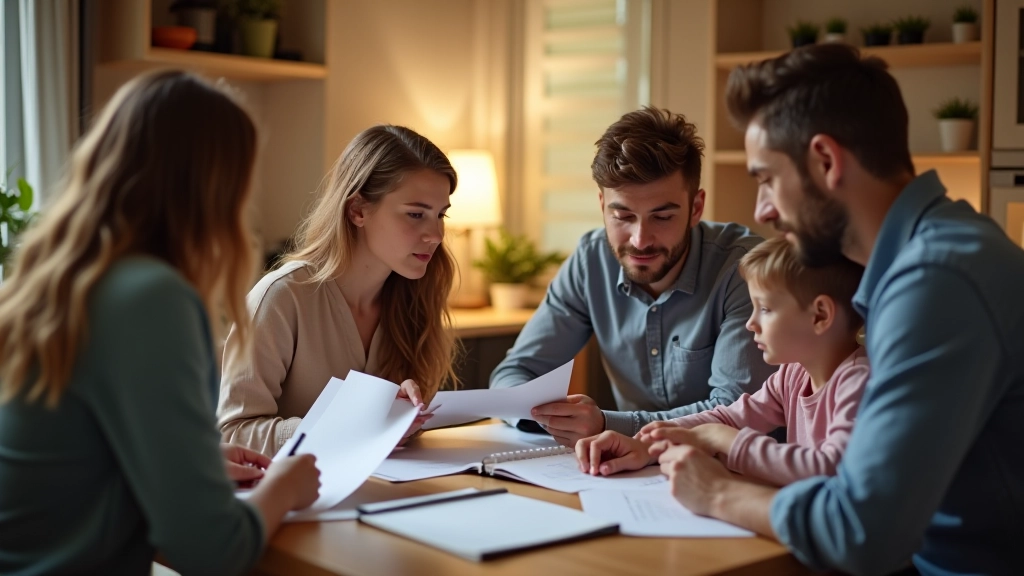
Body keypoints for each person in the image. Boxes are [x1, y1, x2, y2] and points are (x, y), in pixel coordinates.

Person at [654, 44, 1024, 576]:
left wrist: (716, 494)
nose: (762, 209)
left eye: (766, 179)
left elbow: (861, 531)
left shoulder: (935, 281)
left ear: (826, 161)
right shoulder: (942, 249)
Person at [0, 71, 320, 575]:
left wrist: (189, 466)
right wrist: (285, 488)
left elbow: (73, 459)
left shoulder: (60, 284)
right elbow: (212, 551)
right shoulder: (152, 298)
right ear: (215, 187)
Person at [490, 107, 775, 447]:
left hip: (733, 469)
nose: (640, 240)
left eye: (662, 217)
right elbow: (513, 374)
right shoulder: (590, 260)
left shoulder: (745, 268)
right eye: (623, 216)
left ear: (696, 208)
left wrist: (607, 424)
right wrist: (548, 417)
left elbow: (736, 412)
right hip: (629, 474)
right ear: (602, 206)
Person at [218, 125, 460, 457]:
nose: (435, 234)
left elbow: (386, 440)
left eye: (441, 215)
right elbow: (233, 434)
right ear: (357, 210)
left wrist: (402, 418)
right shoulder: (281, 298)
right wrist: (345, 423)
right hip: (297, 502)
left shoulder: (416, 297)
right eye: (416, 214)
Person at [575, 236, 869, 488]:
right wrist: (645, 445)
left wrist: (725, 440)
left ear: (820, 316)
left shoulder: (858, 383)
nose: (751, 323)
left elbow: (831, 469)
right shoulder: (791, 375)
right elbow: (729, 417)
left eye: (765, 308)